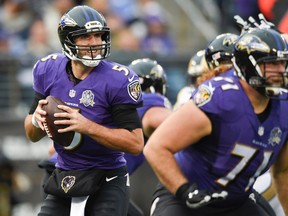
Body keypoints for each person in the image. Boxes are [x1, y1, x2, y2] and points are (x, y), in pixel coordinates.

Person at [143, 27, 288, 216]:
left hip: (236, 201)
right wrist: (185, 191)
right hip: (186, 198)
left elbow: (283, 171)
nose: (279, 71)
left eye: (282, 64)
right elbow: (156, 147)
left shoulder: (284, 105)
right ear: (247, 66)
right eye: (270, 64)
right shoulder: (220, 98)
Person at [24, 5, 144, 216]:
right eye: (86, 37)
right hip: (65, 173)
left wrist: (87, 127)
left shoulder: (118, 79)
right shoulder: (48, 69)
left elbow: (135, 143)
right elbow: (31, 135)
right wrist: (37, 120)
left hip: (107, 176)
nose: (95, 43)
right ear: (68, 39)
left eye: (98, 36)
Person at [125, 58, 172, 216]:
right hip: (92, 182)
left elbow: (52, 151)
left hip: (60, 173)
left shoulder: (114, 104)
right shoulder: (149, 101)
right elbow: (158, 120)